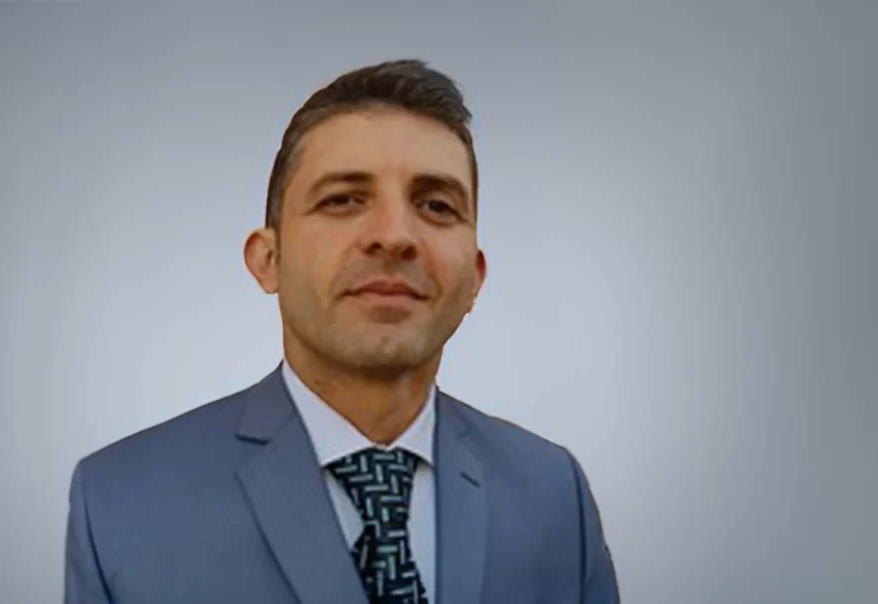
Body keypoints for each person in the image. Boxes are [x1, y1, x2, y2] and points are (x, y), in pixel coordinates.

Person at [64, 59, 620, 604]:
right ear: (268, 259)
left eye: (436, 205)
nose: (394, 236)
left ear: (474, 278)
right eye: (343, 200)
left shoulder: (553, 494)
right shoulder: (121, 501)